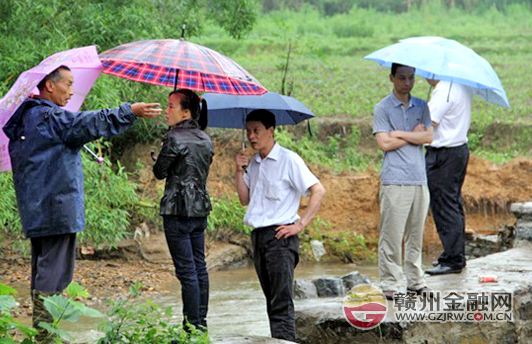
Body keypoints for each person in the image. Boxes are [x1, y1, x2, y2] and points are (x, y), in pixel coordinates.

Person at [2, 65, 160, 343]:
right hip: (57, 208)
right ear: (49, 86)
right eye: (68, 84)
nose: (72, 91)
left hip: (37, 210)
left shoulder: (28, 118)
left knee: (43, 270)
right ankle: (46, 337)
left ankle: (43, 333)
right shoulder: (51, 118)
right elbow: (89, 122)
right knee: (53, 274)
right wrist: (128, 111)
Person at [234, 109, 326, 342]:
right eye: (248, 131)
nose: (252, 136)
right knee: (271, 299)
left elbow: (318, 190)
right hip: (259, 237)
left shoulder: (289, 159)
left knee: (281, 302)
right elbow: (245, 199)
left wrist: (300, 224)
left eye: (256, 131)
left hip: (281, 237)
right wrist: (239, 170)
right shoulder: (254, 164)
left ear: (271, 131)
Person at [153, 89, 212, 334]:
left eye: (170, 106)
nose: (166, 111)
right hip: (199, 211)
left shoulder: (174, 137)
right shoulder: (205, 139)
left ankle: (191, 329)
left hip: (177, 211)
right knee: (199, 267)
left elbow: (160, 171)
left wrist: (160, 152)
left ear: (186, 112)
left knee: (187, 271)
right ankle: (200, 325)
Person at [372, 63, 433, 300]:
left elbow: (428, 136)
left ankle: (415, 281)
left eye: (411, 78)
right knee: (392, 234)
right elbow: (384, 144)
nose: (407, 83)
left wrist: (399, 133)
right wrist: (412, 135)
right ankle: (390, 283)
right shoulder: (383, 108)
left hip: (419, 178)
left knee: (415, 234)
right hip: (395, 179)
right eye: (402, 78)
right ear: (392, 78)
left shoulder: (422, 106)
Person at [424, 79, 473, 276]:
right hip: (457, 151)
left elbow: (430, 121)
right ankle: (453, 255)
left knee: (445, 205)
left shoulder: (444, 89)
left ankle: (453, 260)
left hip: (444, 154)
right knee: (452, 203)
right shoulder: (460, 85)